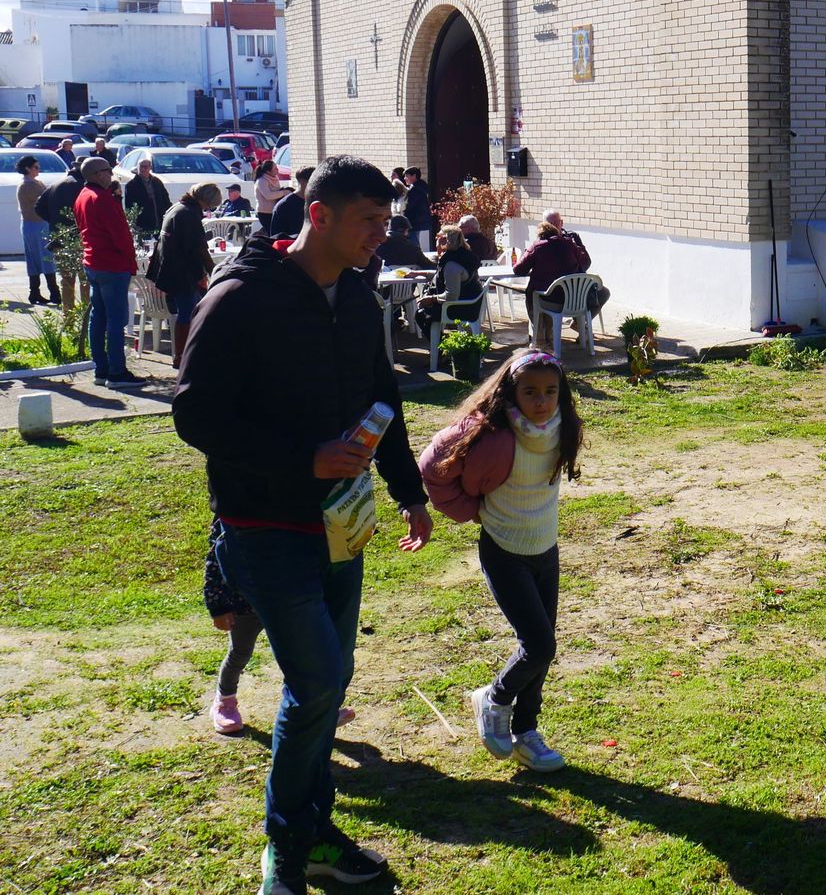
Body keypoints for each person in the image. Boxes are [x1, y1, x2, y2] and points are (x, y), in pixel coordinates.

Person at [172, 155, 433, 894]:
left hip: (342, 522)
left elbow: (381, 392)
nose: (379, 237)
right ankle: (287, 840)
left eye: (386, 223)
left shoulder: (354, 296)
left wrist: (407, 487)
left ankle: (313, 829)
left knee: (327, 679)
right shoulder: (240, 297)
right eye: (366, 222)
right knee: (318, 679)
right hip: (264, 522)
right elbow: (195, 415)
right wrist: (301, 458)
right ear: (317, 215)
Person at [419, 348, 584, 774]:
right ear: (510, 392)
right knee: (539, 644)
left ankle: (526, 732)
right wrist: (465, 509)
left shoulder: (564, 427)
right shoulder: (489, 432)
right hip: (504, 550)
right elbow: (432, 464)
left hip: (545, 550)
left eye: (551, 391)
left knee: (541, 648)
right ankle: (493, 699)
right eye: (530, 392)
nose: (542, 401)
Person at [204, 518, 356, 736]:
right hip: (245, 607)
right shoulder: (232, 518)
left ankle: (316, 712)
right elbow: (214, 563)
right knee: (240, 652)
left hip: (286, 601)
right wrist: (218, 607)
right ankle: (225, 701)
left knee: (300, 656)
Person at [73, 157, 141, 389]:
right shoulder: (101, 199)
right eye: (108, 171)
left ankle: (101, 369)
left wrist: (116, 197)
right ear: (98, 174)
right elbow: (121, 234)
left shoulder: (83, 196)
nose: (111, 174)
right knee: (116, 320)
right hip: (112, 264)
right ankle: (116, 372)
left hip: (93, 262)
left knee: (99, 317)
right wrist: (131, 262)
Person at [151, 181, 223, 367]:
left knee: (188, 313)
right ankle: (182, 356)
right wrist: (207, 273)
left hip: (170, 270)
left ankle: (185, 354)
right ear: (206, 201)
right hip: (182, 274)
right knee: (188, 314)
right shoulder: (189, 215)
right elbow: (197, 249)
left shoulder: (177, 208)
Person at [512, 220, 609, 348]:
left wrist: (529, 257)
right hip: (574, 301)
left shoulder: (537, 247)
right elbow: (585, 263)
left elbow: (518, 269)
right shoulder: (569, 244)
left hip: (551, 301)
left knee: (533, 295)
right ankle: (576, 328)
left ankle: (540, 339)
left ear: (540, 235)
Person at [415, 226, 485, 334]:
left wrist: (431, 299)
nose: (435, 240)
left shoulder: (451, 264)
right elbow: (441, 276)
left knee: (421, 314)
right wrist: (417, 273)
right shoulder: (463, 255)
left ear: (444, 240)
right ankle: (441, 343)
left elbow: (451, 295)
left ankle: (440, 346)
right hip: (469, 303)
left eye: (437, 237)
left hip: (461, 308)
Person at [16, 156, 62, 305]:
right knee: (43, 257)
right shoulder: (26, 186)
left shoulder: (36, 183)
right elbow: (45, 200)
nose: (38, 169)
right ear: (27, 169)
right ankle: (52, 292)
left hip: (38, 224)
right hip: (34, 224)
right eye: (35, 167)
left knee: (40, 257)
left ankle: (36, 293)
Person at [41, 162, 84, 313]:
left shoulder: (55, 185)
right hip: (80, 239)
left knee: (67, 281)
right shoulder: (83, 186)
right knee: (85, 281)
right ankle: (86, 318)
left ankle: (69, 318)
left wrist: (54, 222)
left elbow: (38, 207)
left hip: (60, 238)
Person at [123, 156, 172, 237]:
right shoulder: (131, 185)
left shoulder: (157, 182)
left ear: (150, 168)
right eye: (141, 166)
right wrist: (133, 223)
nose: (143, 169)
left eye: (145, 166)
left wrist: (169, 214)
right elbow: (129, 205)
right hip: (142, 223)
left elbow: (165, 199)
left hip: (159, 220)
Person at [271, 166, 316, 237]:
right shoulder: (284, 206)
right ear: (302, 182)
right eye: (314, 182)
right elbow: (276, 237)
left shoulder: (316, 202)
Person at [254, 157, 289, 234]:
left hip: (274, 211)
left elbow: (277, 192)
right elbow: (268, 196)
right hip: (264, 212)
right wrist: (284, 192)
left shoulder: (275, 178)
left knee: (276, 232)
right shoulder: (261, 181)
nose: (277, 170)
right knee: (271, 233)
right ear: (268, 171)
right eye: (275, 168)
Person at [401, 167, 433, 246]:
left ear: (414, 176)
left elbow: (409, 206)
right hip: (422, 222)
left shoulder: (415, 190)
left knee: (415, 245)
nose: (405, 178)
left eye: (407, 176)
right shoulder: (421, 187)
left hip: (415, 222)